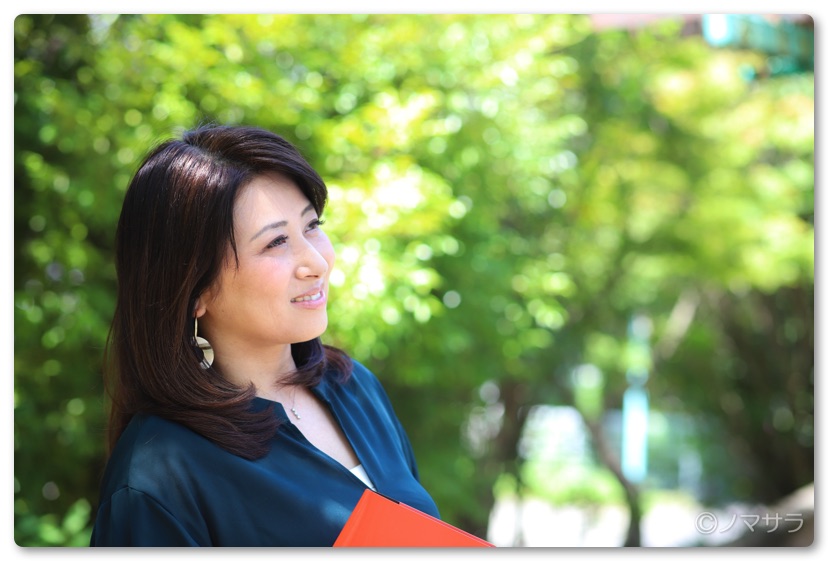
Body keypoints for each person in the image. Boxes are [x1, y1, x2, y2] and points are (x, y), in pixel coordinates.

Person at [90, 124, 440, 546]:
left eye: (312, 226)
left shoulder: (354, 387)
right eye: (276, 242)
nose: (317, 262)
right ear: (194, 289)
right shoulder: (158, 474)